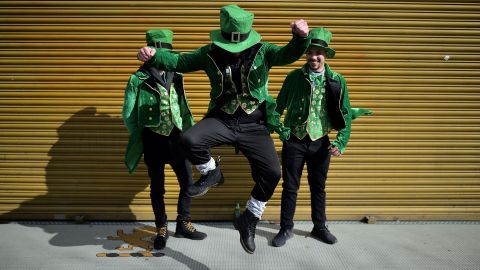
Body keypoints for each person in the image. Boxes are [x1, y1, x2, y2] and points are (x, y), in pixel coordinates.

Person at [137, 5, 310, 254]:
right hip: (223, 119)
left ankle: (249, 219)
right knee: (188, 139)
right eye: (230, 48)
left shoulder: (264, 51)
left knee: (272, 173)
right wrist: (153, 56)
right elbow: (180, 61)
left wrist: (300, 38)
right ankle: (212, 173)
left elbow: (287, 54)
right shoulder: (209, 53)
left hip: (254, 124)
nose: (235, 52)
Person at [272, 27, 372, 247]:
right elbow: (277, 107)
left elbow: (344, 112)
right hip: (295, 141)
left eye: (319, 53)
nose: (314, 57)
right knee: (290, 187)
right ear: (306, 54)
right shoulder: (294, 77)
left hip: (320, 141)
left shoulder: (337, 80)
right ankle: (286, 228)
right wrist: (280, 130)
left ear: (325, 55)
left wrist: (341, 142)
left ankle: (319, 227)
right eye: (310, 52)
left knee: (318, 187)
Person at [122, 29, 207, 250]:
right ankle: (161, 226)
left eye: (165, 51)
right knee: (157, 188)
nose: (161, 55)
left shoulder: (177, 74)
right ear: (149, 50)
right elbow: (129, 114)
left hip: (178, 137)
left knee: (187, 182)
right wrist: (141, 133)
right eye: (157, 50)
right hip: (153, 140)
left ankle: (183, 222)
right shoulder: (137, 79)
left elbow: (182, 104)